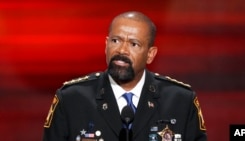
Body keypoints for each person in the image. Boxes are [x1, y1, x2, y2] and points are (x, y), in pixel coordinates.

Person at [43, 11, 207, 141]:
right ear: (106, 45)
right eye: (115, 41)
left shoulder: (181, 101)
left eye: (134, 44)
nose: (122, 50)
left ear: (150, 54)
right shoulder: (71, 99)